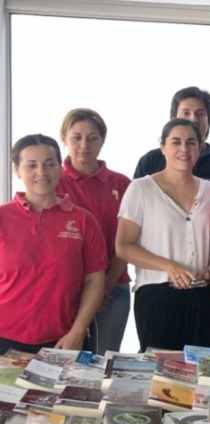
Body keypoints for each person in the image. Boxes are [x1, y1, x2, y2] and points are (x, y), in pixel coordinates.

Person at [117, 119, 210, 352]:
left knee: (205, 372)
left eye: (191, 142)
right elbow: (123, 246)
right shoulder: (141, 189)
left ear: (200, 148)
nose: (184, 149)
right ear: (162, 147)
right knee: (162, 376)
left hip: (204, 296)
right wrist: (170, 267)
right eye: (176, 142)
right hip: (157, 295)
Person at [0, 134, 106, 354]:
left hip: (64, 339)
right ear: (16, 170)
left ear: (60, 168)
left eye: (49, 164)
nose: (41, 172)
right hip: (5, 338)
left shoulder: (83, 220)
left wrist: (77, 332)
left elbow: (95, 280)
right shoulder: (3, 217)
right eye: (31, 165)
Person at [55, 108, 132, 356]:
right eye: (76, 137)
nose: (84, 145)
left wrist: (103, 290)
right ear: (64, 138)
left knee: (102, 363)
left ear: (102, 141)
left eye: (93, 138)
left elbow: (127, 242)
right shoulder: (52, 182)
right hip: (63, 291)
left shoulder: (122, 184)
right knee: (62, 364)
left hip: (113, 289)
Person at [134, 86, 210, 191]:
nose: (193, 119)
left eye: (200, 114)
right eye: (186, 113)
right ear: (173, 119)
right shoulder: (151, 160)